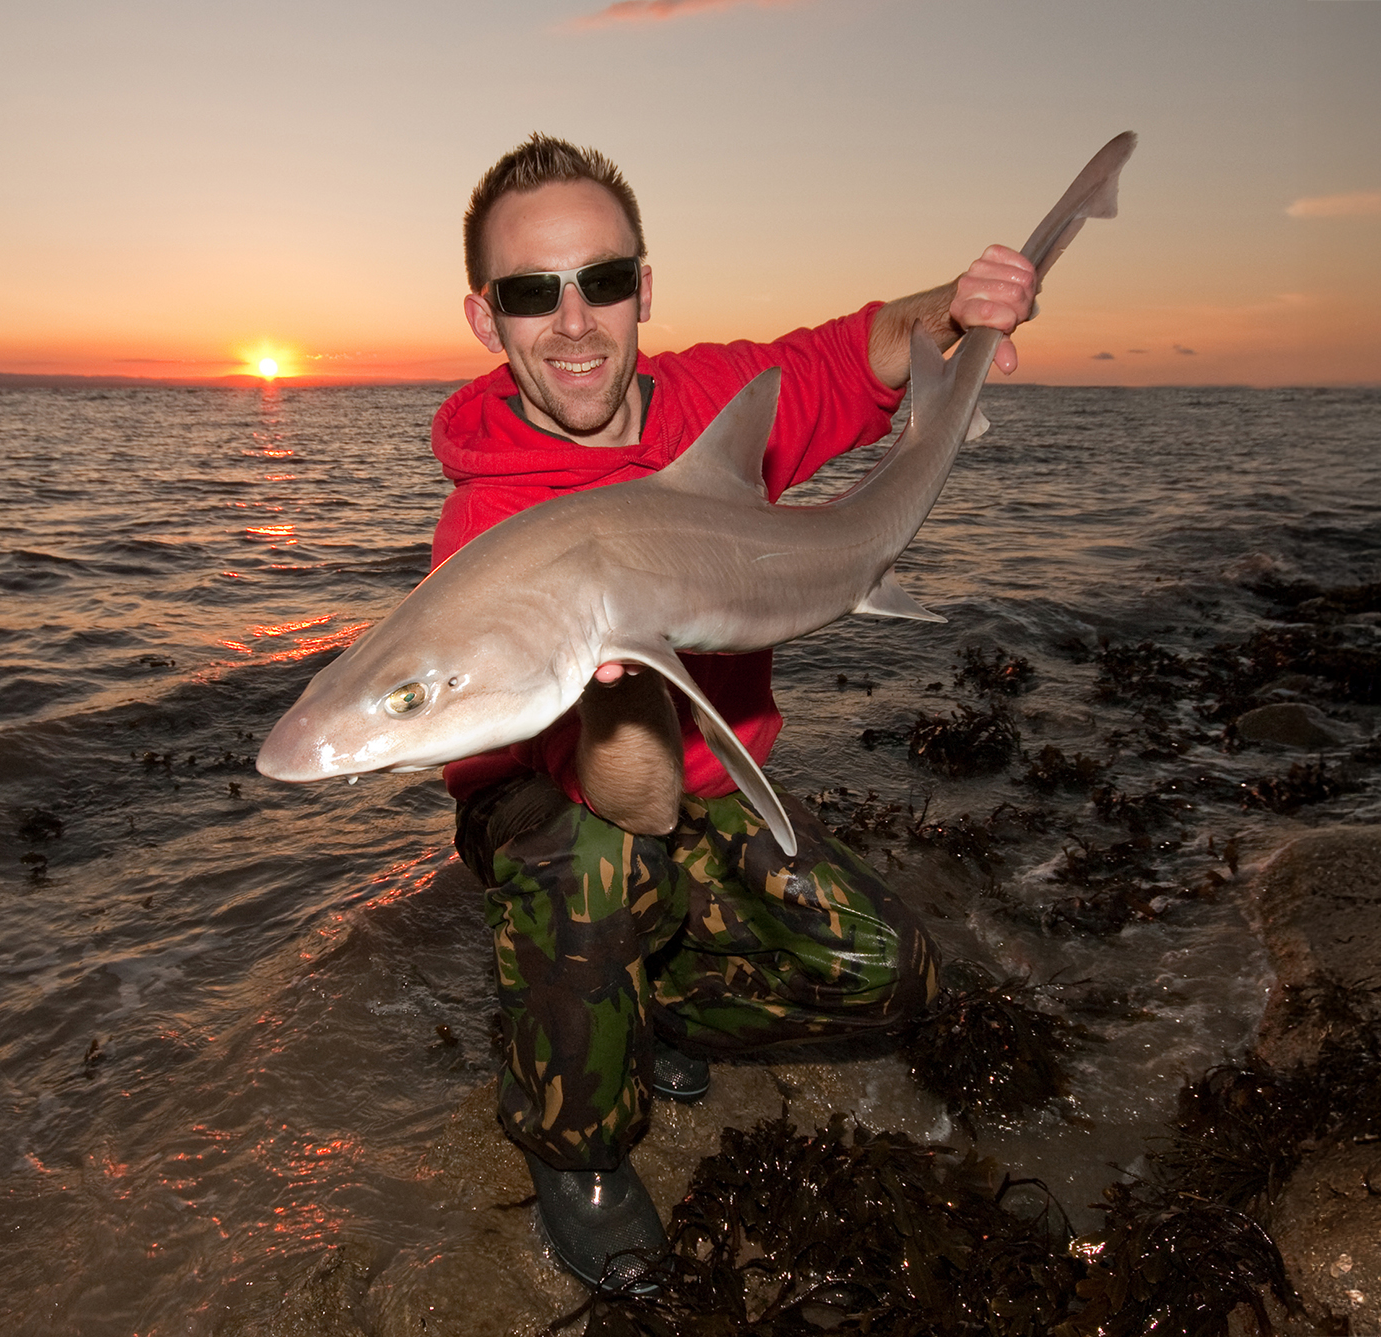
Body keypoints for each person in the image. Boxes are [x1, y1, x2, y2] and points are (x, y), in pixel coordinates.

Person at [431, 133, 1035, 1293]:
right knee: (598, 862)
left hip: (710, 786)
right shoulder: (487, 529)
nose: (572, 322)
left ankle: (648, 1008)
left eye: (602, 281)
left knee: (890, 973)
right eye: (529, 292)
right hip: (565, 804)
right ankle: (579, 1144)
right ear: (483, 317)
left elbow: (860, 348)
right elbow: (633, 798)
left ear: (642, 287)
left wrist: (959, 310)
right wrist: (623, 679)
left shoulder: (712, 397)